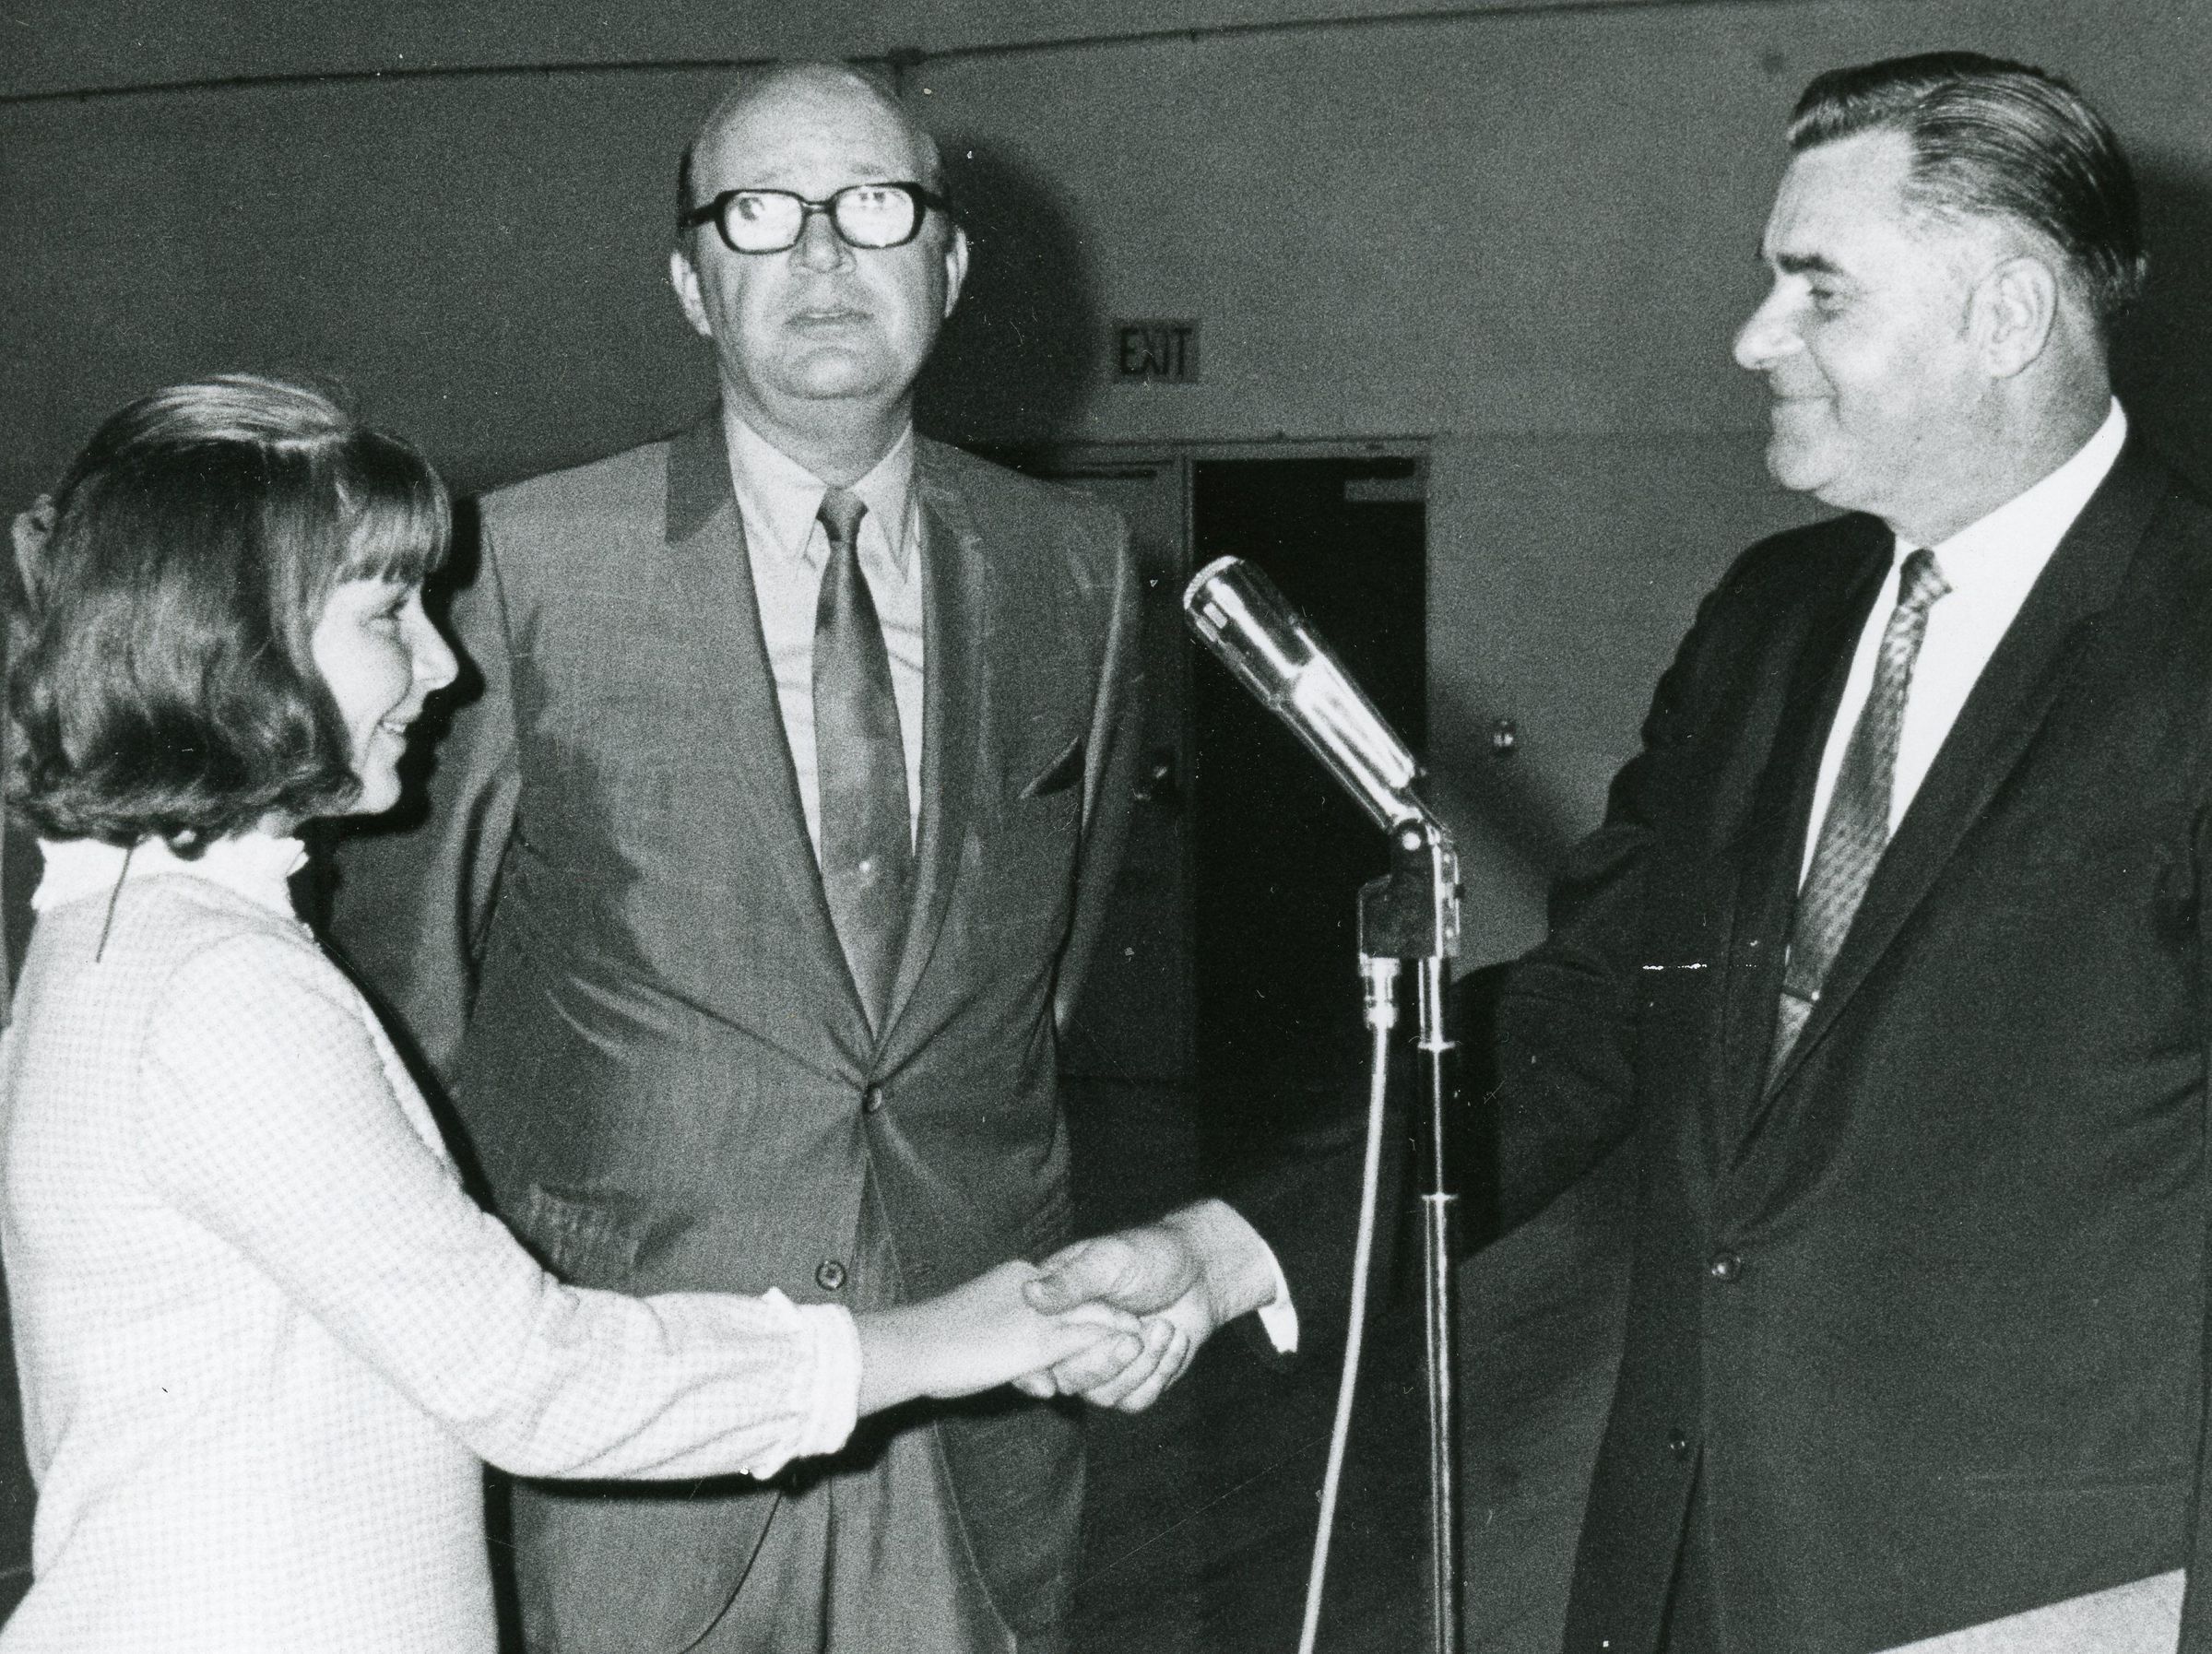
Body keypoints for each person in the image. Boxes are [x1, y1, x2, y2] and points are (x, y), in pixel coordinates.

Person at [329, 62, 1291, 1654]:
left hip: (976, 1417)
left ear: (950, 267)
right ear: (691, 284)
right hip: (632, 1449)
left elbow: (1035, 988)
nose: (826, 255)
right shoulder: (523, 569)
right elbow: (403, 1024)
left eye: (876, 208)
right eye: (763, 216)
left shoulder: (1072, 568)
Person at [0, 376, 1136, 1654]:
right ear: (234, 643)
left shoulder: (125, 936)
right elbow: (534, 1378)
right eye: (387, 613)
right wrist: (941, 1340)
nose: (443, 664)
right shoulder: (216, 991)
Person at [1456, 51, 2210, 1654]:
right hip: (1688, 1568)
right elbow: (1591, 1015)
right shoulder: (1768, 620)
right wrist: (1235, 1246)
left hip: (2039, 1608)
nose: (1753, 337)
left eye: (1819, 288)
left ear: (2005, 316)